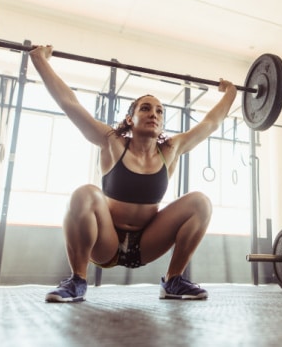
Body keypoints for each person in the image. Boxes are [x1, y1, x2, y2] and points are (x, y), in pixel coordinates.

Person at [29, 45, 237, 302]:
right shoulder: (111, 142)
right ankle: (77, 281)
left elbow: (211, 123)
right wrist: (39, 60)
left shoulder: (170, 149)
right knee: (84, 193)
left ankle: (173, 280)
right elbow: (69, 103)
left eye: (159, 111)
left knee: (200, 203)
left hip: (147, 244)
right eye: (146, 108)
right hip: (106, 242)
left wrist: (231, 92)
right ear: (130, 119)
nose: (154, 114)